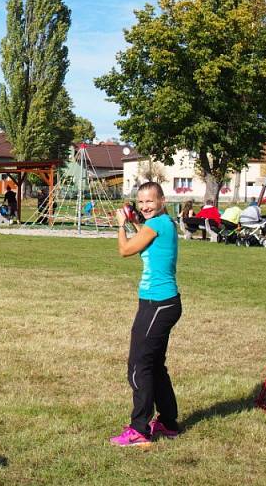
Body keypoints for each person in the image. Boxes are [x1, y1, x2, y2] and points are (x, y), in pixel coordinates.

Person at [111, 181, 182, 447]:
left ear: (162, 201)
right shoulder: (163, 224)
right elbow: (144, 240)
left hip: (158, 304)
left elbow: (126, 250)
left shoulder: (157, 224)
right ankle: (168, 422)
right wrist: (132, 223)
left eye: (150, 201)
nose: (145, 206)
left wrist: (120, 225)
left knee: (139, 365)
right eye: (141, 202)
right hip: (164, 303)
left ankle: (139, 429)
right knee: (154, 365)